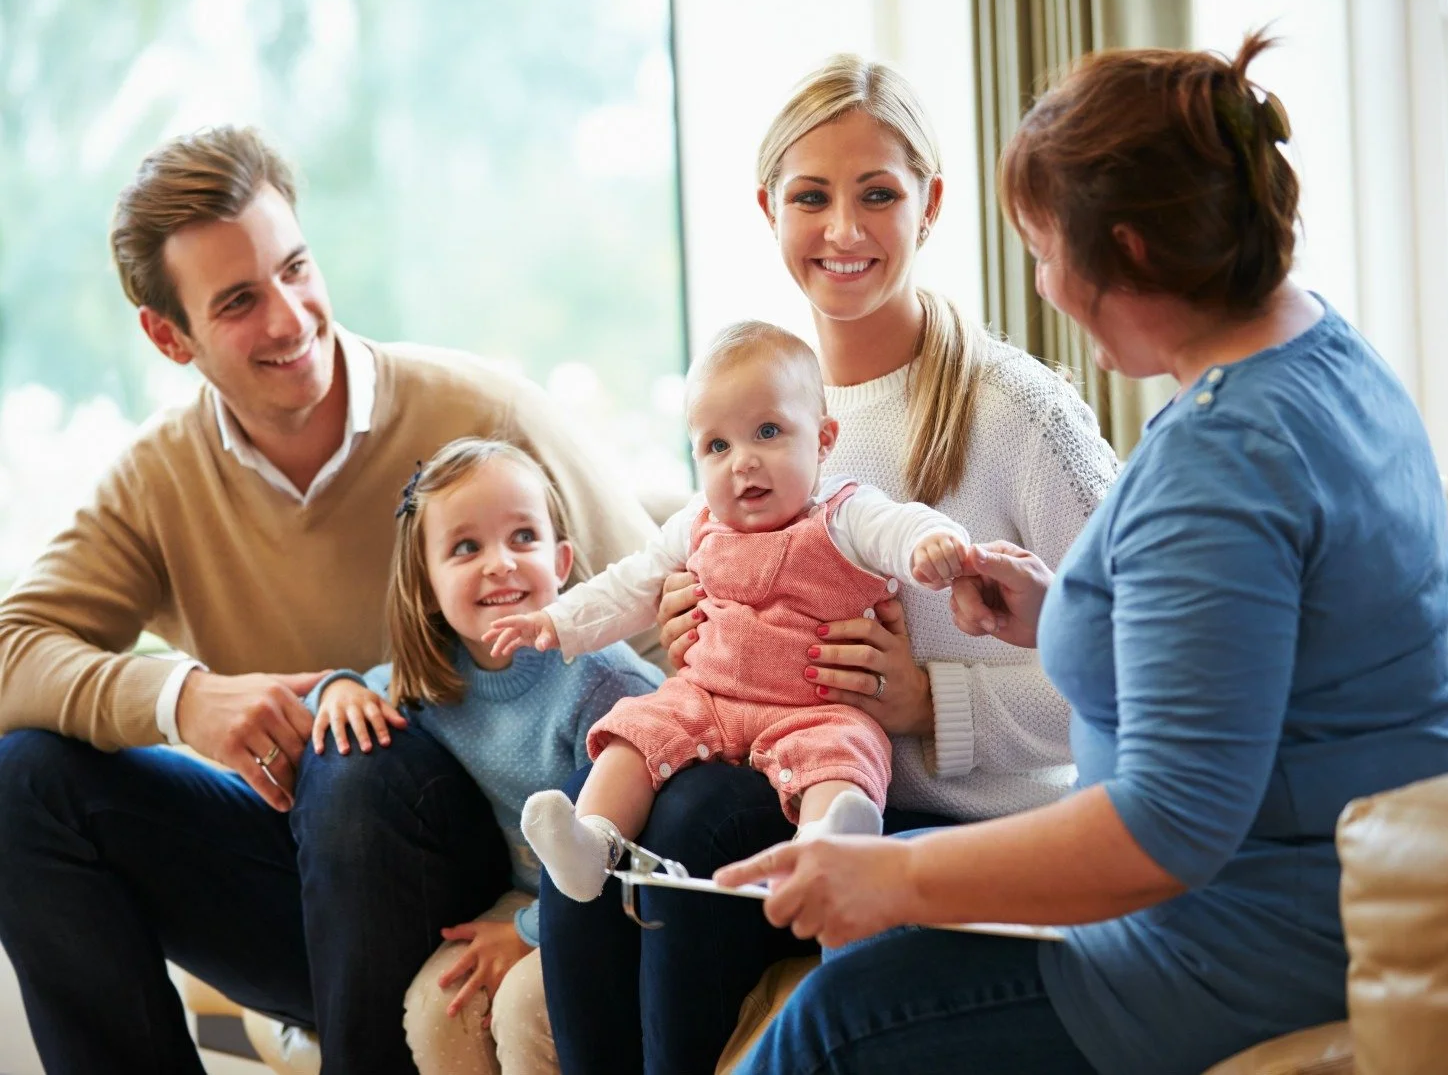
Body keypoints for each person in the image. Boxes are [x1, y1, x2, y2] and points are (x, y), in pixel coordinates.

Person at [714, 33, 1448, 1075]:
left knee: (830, 1024)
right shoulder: (1322, 356)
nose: (1043, 287)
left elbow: (1167, 827)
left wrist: (894, 881)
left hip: (1239, 937)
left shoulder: (1223, 457)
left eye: (1044, 251)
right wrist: (1066, 609)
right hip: (1294, 891)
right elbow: (1257, 650)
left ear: (1130, 252)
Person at [0, 126, 658, 1075]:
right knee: (22, 782)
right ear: (168, 336)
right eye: (238, 301)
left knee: (353, 758)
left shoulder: (488, 418)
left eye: (295, 268)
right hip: (297, 891)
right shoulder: (157, 482)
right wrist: (183, 698)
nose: (289, 318)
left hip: (493, 867)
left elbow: (670, 609)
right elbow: (14, 647)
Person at [536, 55, 1119, 1075]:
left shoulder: (1021, 415)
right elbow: (718, 625)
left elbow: (1142, 679)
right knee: (618, 819)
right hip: (790, 777)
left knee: (692, 822)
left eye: (878, 195)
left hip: (956, 821)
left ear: (932, 204)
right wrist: (693, 634)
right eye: (811, 197)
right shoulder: (753, 411)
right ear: (769, 209)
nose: (844, 230)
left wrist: (932, 702)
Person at [487, 322, 969, 901]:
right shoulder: (696, 523)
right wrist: (556, 619)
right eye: (718, 446)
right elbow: (631, 584)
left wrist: (931, 545)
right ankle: (593, 843)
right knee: (633, 735)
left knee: (846, 752)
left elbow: (903, 526)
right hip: (706, 698)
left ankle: (828, 846)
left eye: (767, 432)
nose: (743, 462)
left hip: (815, 709)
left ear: (823, 440)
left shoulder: (846, 515)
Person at [306, 437, 662, 1075]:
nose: (500, 564)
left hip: (617, 898)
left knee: (525, 1008)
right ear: (427, 584)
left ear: (561, 561)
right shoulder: (435, 677)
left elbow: (630, 850)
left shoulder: (602, 682)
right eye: (466, 547)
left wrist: (528, 932)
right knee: (435, 1008)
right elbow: (361, 691)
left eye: (523, 537)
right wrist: (336, 689)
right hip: (527, 894)